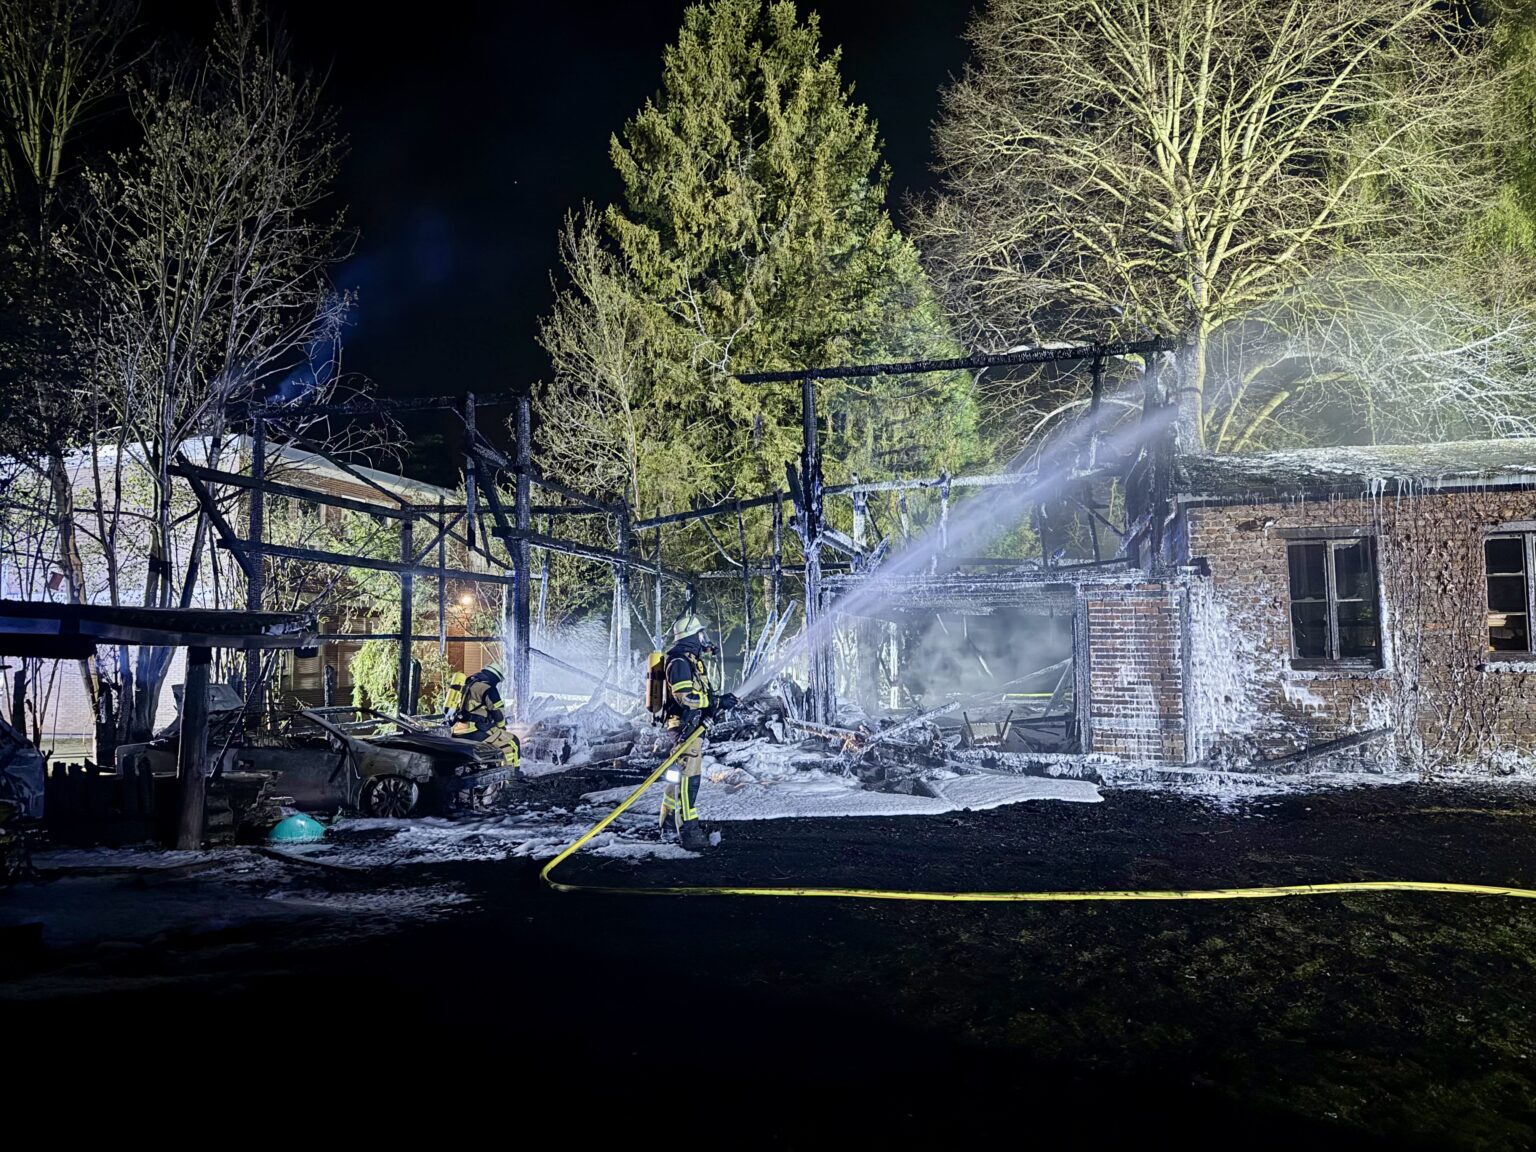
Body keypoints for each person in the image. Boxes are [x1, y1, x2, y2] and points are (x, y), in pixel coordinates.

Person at [660, 614, 736, 850]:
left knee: (677, 775)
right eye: (700, 634)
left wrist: (716, 702)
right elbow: (686, 698)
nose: (704, 638)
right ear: (691, 637)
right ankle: (689, 831)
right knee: (689, 777)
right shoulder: (679, 662)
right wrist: (715, 702)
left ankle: (668, 825)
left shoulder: (689, 661)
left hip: (689, 725)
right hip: (684, 727)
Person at [449, 661, 506, 740]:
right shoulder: (488, 688)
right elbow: (497, 713)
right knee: (512, 742)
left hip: (457, 728)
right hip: (474, 731)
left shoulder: (468, 683)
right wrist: (502, 727)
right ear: (495, 677)